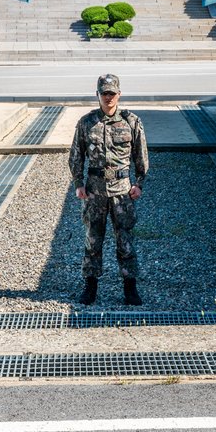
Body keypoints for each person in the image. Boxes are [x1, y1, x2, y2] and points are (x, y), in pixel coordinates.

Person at [68, 73, 149, 306]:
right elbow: (76, 155)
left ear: (119, 94)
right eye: (104, 93)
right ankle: (90, 287)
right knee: (93, 240)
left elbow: (141, 156)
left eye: (112, 93)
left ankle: (130, 289)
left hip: (122, 191)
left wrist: (139, 183)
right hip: (95, 191)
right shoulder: (86, 122)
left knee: (125, 240)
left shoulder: (132, 122)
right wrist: (78, 183)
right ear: (98, 95)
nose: (108, 97)